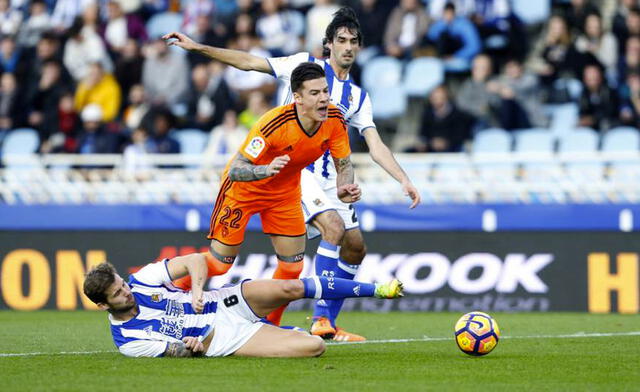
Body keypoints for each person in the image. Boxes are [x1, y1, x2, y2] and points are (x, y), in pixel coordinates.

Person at [163, 6, 421, 342]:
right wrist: (199, 47)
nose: (347, 46)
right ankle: (320, 320)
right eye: (340, 40)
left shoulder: (357, 97)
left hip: (329, 180)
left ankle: (305, 321)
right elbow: (248, 61)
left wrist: (402, 178)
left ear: (358, 47)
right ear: (328, 44)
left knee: (355, 247)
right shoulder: (300, 67)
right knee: (332, 228)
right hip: (293, 172)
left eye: (353, 41)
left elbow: (374, 143)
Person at [172, 62, 360, 328]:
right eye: (315, 93)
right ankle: (163, 292)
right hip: (242, 192)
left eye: (325, 91)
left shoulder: (334, 119)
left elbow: (344, 164)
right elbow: (237, 169)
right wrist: (265, 170)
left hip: (284, 195)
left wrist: (344, 186)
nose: (324, 99)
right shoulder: (274, 124)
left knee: (293, 269)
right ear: (297, 98)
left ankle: (268, 325)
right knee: (218, 264)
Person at [83, 254, 403, 358]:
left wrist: (196, 288)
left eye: (122, 284)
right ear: (103, 305)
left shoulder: (143, 280)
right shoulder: (129, 342)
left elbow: (195, 260)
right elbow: (176, 351)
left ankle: (377, 289)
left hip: (224, 302)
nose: (127, 291)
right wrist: (190, 346)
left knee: (291, 286)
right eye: (118, 293)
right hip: (223, 338)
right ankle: (278, 332)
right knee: (314, 346)